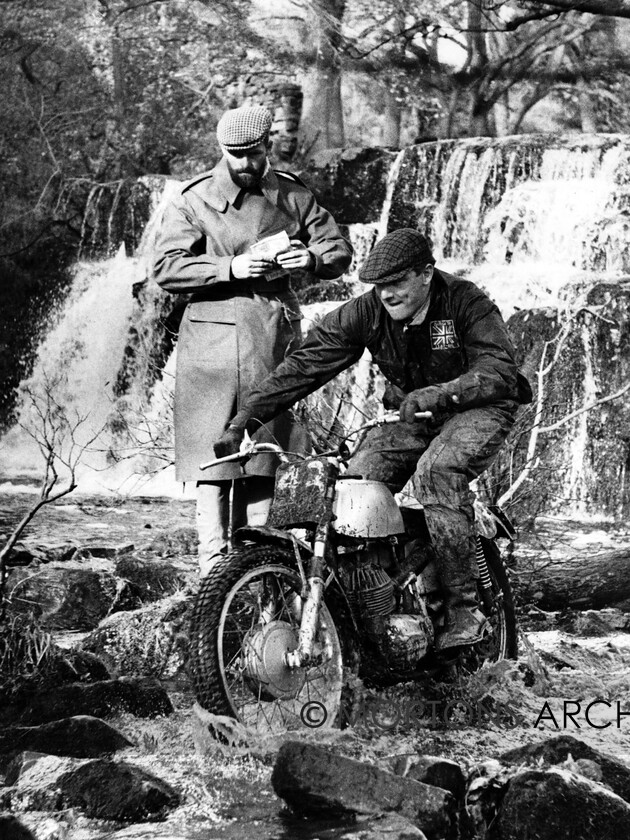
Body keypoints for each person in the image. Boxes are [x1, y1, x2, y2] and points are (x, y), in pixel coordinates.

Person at [214, 228, 532, 651]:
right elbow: (305, 365)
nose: (388, 295)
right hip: (410, 413)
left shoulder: (466, 301)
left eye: (398, 282)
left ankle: (464, 610)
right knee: (356, 491)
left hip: (479, 405)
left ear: (426, 274)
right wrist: (244, 420)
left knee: (438, 473)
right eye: (380, 286)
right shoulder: (365, 313)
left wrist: (443, 393)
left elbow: (499, 371)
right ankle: (385, 602)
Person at [153, 105, 352, 577]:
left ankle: (256, 569)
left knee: (267, 449)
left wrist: (309, 261)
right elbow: (165, 268)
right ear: (222, 151)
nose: (245, 164)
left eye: (254, 154)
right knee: (211, 456)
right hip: (212, 340)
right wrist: (229, 269)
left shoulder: (292, 194)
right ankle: (211, 574)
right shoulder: (192, 198)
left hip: (273, 333)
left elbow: (338, 249)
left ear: (268, 147)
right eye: (235, 155)